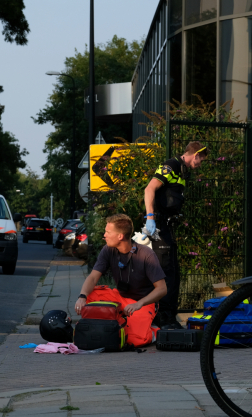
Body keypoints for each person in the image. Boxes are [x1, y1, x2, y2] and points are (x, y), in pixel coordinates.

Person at [74, 214, 167, 347]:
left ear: (120, 236)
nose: (104, 235)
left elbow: (162, 289)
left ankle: (152, 329)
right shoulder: (108, 249)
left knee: (135, 340)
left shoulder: (146, 254)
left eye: (108, 232)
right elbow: (93, 277)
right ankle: (111, 323)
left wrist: (139, 304)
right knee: (90, 295)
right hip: (119, 298)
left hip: (141, 303)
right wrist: (82, 297)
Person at [144, 141, 209, 328]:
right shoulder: (171, 166)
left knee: (173, 273)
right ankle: (163, 319)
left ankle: (168, 316)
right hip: (158, 225)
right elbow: (149, 189)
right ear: (196, 155)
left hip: (166, 226)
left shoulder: (181, 171)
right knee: (166, 271)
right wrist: (150, 217)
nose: (200, 165)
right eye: (201, 160)